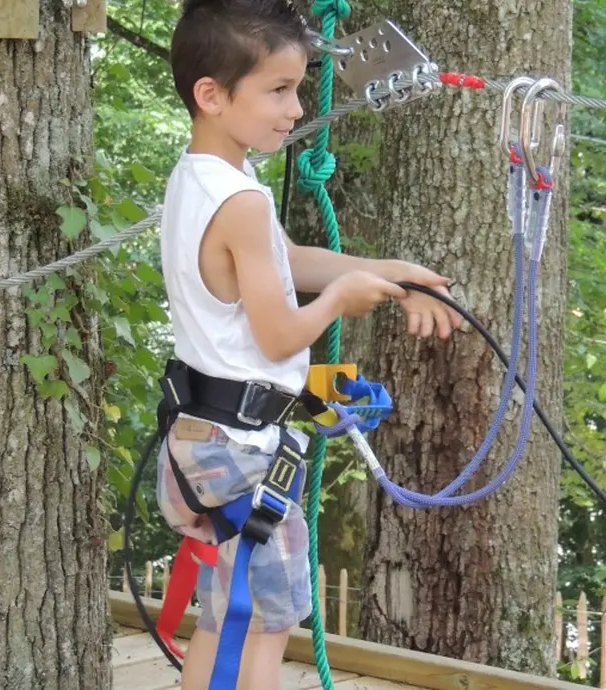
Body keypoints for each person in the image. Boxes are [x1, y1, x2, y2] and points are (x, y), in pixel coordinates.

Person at [154, 0, 462, 687]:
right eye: (278, 90)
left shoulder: (202, 178)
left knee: (228, 617)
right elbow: (279, 336)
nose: (296, 110)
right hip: (240, 450)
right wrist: (339, 301)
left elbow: (284, 260)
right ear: (212, 95)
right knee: (264, 627)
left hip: (201, 435)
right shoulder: (242, 200)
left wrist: (391, 273)